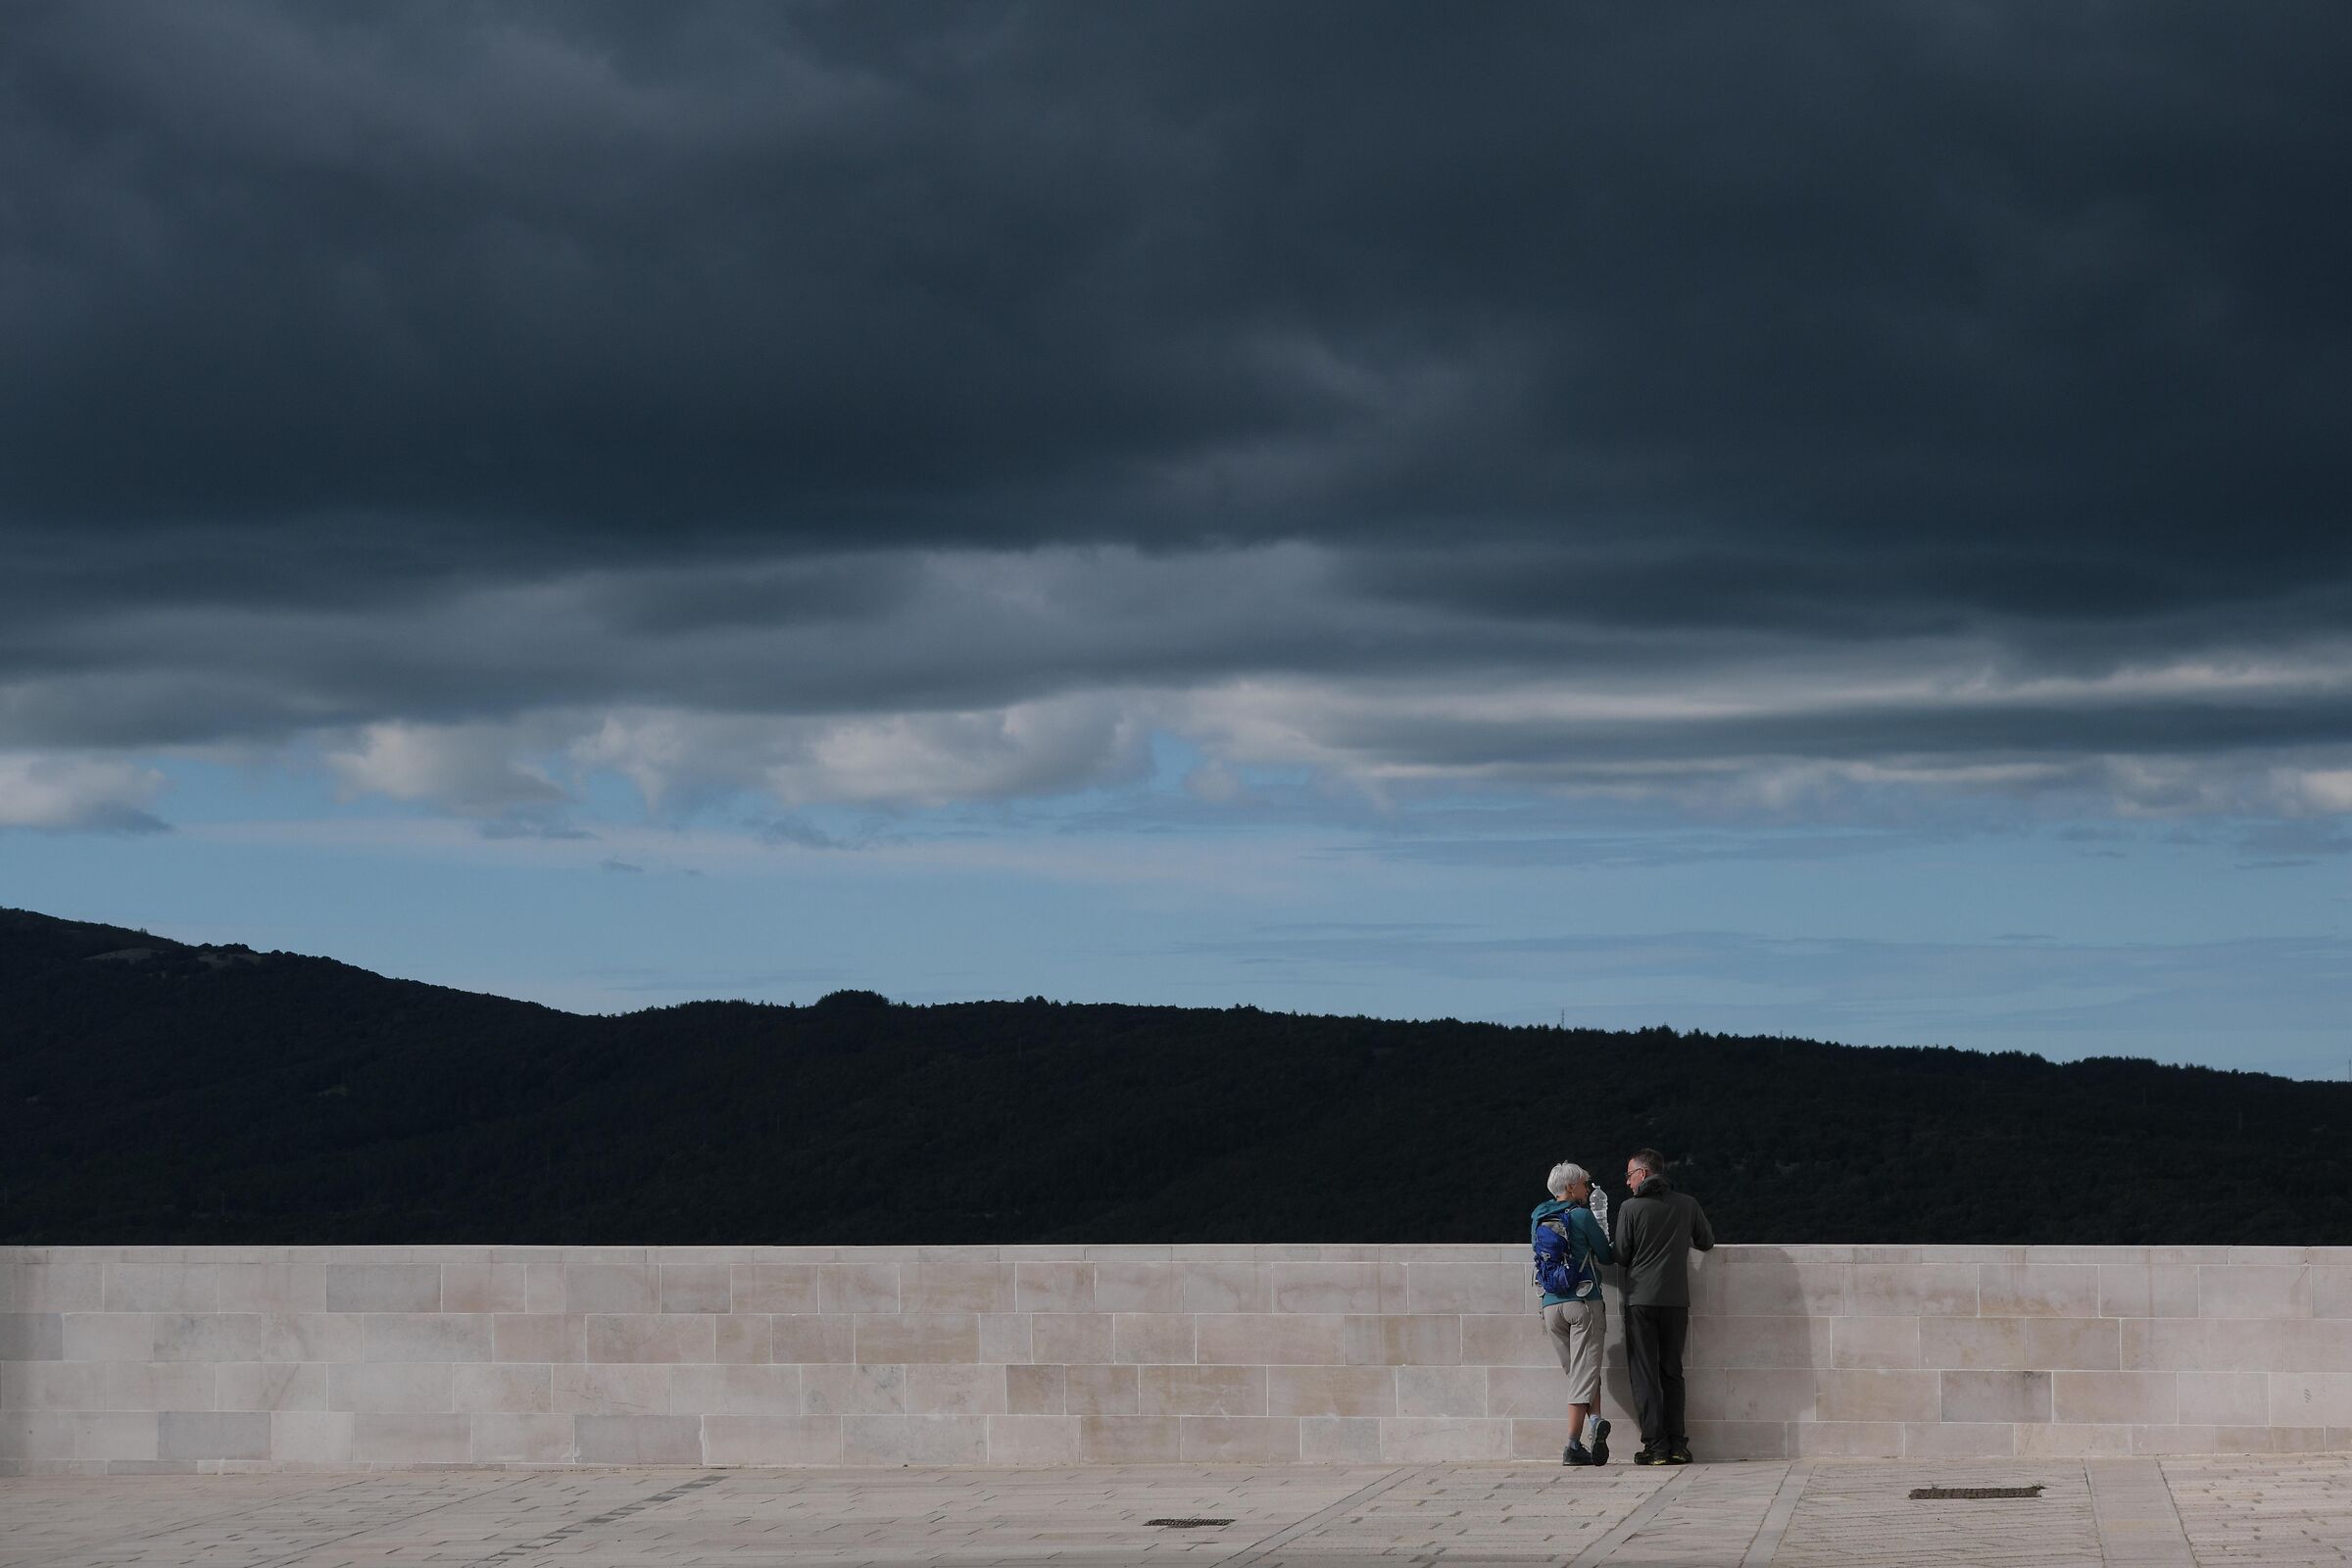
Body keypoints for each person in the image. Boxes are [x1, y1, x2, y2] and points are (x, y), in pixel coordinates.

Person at [1612, 1148, 1713, 1464]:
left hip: (1640, 1300)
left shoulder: (1630, 1208)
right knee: (1672, 1372)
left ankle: (1655, 1447)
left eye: (1629, 1175)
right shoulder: (1688, 1204)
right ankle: (1678, 1446)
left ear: (1642, 1174)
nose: (1627, 1183)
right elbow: (1706, 1241)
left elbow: (1622, 1256)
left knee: (1644, 1374)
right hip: (1675, 1301)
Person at [1532, 1160, 1615, 1466]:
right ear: (1570, 1187)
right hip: (1583, 1301)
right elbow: (1606, 1255)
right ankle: (1571, 1444)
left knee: (1580, 1372)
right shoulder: (1581, 1215)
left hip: (1549, 1304)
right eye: (1583, 1183)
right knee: (1584, 1372)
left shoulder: (1537, 1216)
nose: (1587, 1188)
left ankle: (1594, 1423)